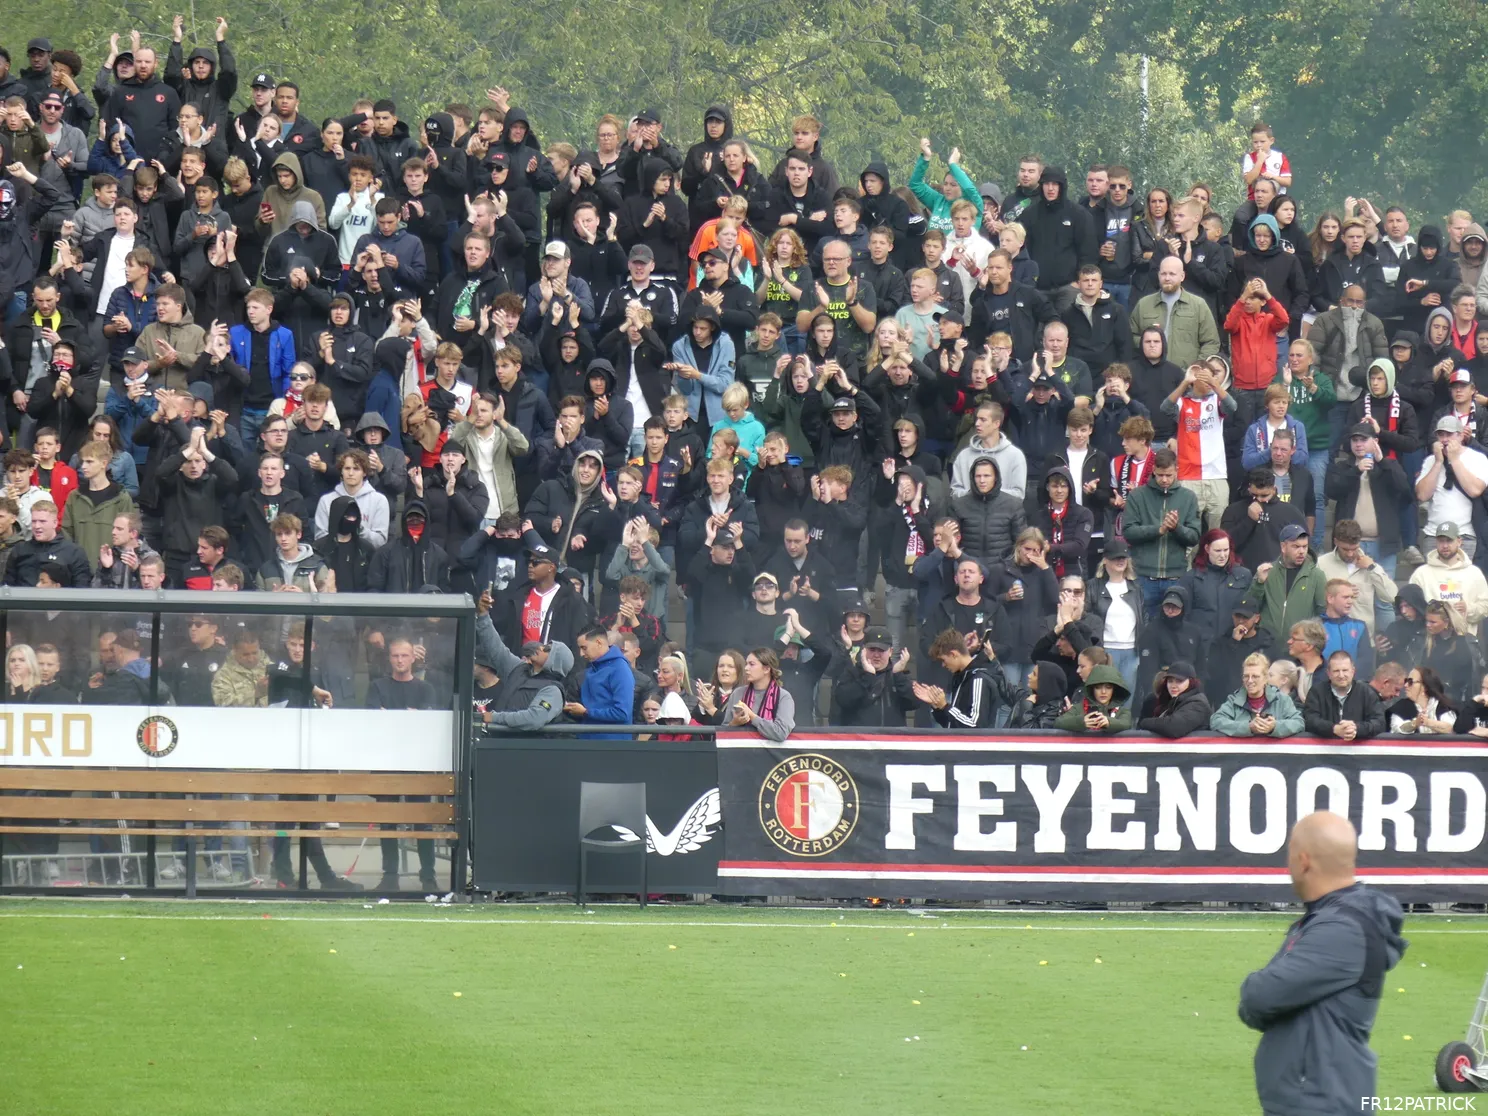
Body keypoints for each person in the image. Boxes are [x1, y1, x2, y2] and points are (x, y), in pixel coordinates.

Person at [1239, 811, 1406, 1116]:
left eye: (1289, 854)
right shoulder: (1330, 919)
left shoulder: (1341, 928)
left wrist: (1255, 990)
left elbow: (1259, 997)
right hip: (1311, 1097)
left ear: (1303, 861)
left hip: (1322, 1102)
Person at [1123, 447, 1200, 617]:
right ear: (1153, 471)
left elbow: (1194, 536)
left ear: (1176, 471)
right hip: (1143, 576)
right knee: (1142, 628)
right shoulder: (1137, 496)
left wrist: (1176, 528)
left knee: (1174, 630)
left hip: (1175, 578)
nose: (1164, 480)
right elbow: (1128, 532)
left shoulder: (1188, 497)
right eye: (1160, 475)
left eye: (1169, 475)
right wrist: (1158, 530)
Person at [911, 627, 1001, 728]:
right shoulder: (960, 678)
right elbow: (951, 725)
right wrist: (937, 706)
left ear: (953, 654)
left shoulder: (979, 679)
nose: (943, 665)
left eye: (943, 660)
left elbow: (975, 726)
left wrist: (945, 706)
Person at [1255, 523, 1328, 644]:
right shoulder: (1268, 572)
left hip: (1301, 648)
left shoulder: (1317, 576)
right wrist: (1259, 583)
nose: (1301, 551)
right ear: (1283, 547)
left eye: (1304, 547)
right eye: (1296, 546)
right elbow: (1251, 606)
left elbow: (1323, 614)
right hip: (1268, 646)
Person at [1210, 653, 1304, 737]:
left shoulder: (1282, 700)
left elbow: (1299, 723)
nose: (1250, 681)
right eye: (1246, 676)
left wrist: (1274, 726)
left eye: (1255, 676)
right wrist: (1248, 727)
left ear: (1266, 678)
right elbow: (1215, 721)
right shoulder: (1234, 700)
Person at [1302, 650, 1387, 740]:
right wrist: (1333, 729)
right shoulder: (1317, 692)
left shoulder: (1366, 692)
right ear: (1328, 673)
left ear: (1353, 671)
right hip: (1324, 752)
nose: (1341, 675)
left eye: (1345, 670)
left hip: (1358, 752)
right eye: (1336, 671)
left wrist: (1356, 728)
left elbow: (1379, 723)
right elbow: (1310, 720)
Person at [1136, 661, 1212, 738]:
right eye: (1170, 681)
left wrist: (1144, 722)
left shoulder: (1198, 704)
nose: (1173, 686)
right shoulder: (1171, 701)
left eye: (1179, 681)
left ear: (1191, 681)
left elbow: (1174, 728)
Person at [1053, 664, 1131, 733]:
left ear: (1114, 690)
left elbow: (1126, 723)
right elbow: (1058, 722)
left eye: (1108, 687)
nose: (1103, 692)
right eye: (1098, 687)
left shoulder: (1123, 711)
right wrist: (1081, 722)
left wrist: (1109, 722)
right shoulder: (1079, 708)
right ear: (1091, 689)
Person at [1388, 665, 1457, 734]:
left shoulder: (1442, 706)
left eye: (1410, 681)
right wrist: (1415, 723)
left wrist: (1427, 722)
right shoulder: (1401, 707)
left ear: (1424, 687)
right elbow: (1397, 728)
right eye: (1406, 681)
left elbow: (1451, 729)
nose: (1405, 685)